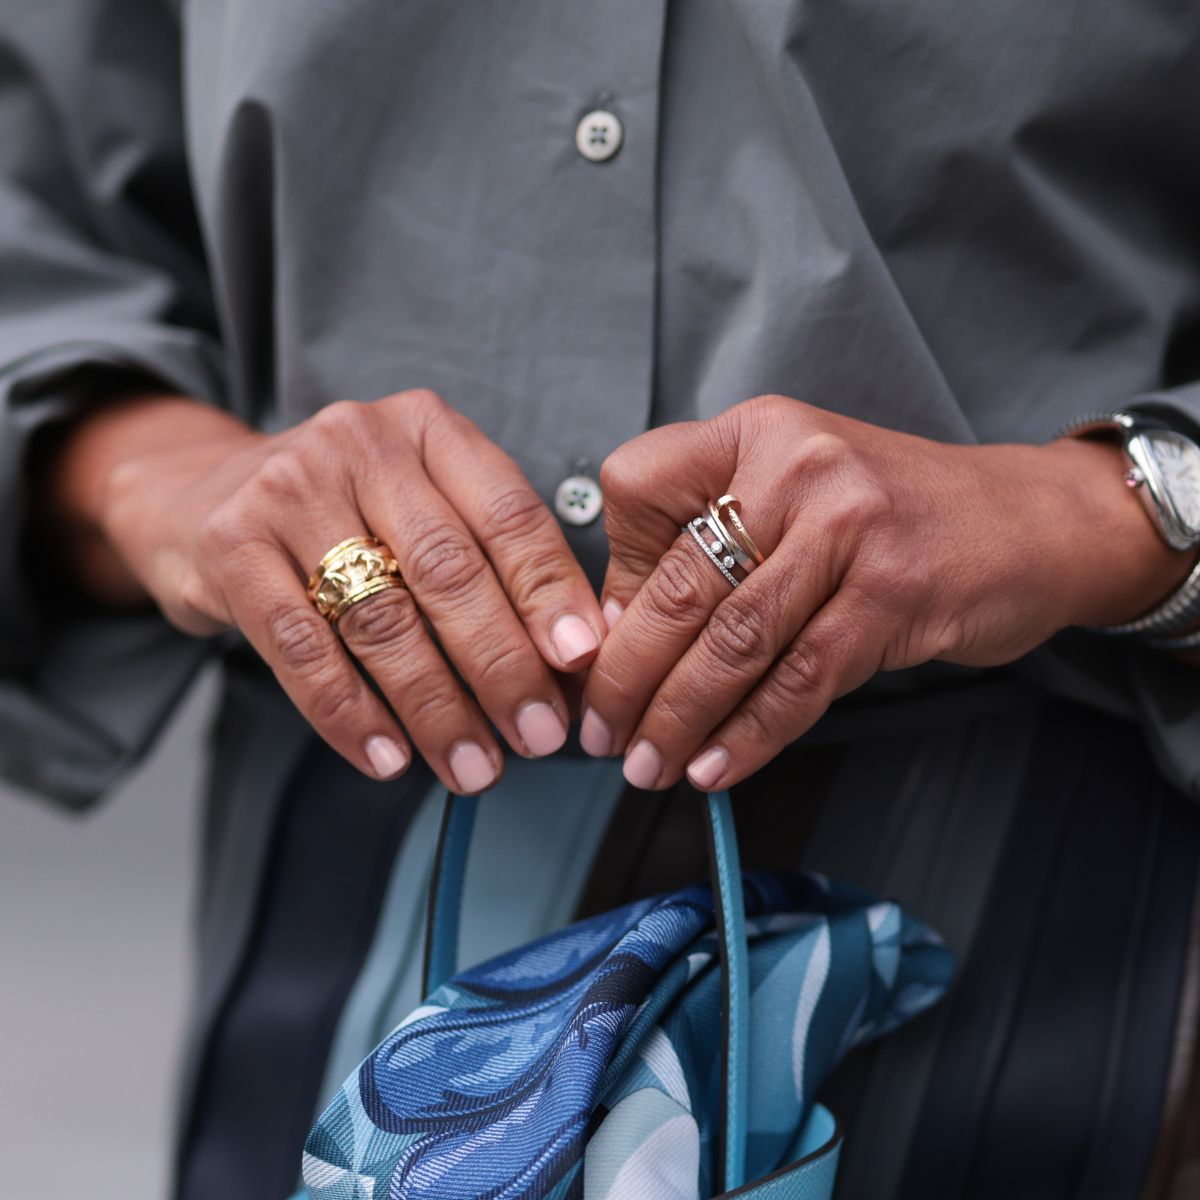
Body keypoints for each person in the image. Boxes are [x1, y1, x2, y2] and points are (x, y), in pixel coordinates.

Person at [2, 3, 1198, 1197]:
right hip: (352, 863)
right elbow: (34, 181)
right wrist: (157, 479)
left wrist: (1104, 512)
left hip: (1050, 884)